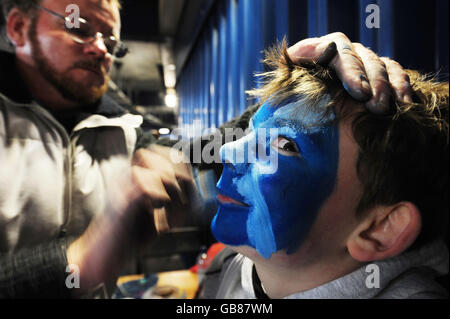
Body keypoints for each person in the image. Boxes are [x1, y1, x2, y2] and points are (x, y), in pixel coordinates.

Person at [0, 0, 415, 298]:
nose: (100, 48)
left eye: (110, 38)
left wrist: (287, 91)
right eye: (78, 27)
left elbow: (196, 151)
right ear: (17, 27)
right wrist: (82, 262)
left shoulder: (125, 129)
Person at [198, 41, 449, 299]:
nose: (228, 151)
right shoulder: (230, 263)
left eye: (286, 145)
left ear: (380, 229)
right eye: (250, 132)